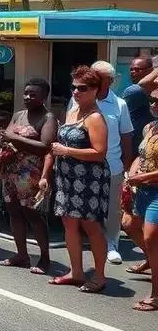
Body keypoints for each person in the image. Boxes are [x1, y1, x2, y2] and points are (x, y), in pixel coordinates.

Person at [49, 66, 111, 293]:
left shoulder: (95, 117)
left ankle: (100, 275)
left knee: (90, 225)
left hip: (89, 179)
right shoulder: (73, 111)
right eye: (74, 87)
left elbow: (99, 152)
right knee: (69, 222)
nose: (76, 92)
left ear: (95, 90)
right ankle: (76, 271)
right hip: (68, 177)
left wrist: (66, 152)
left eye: (82, 88)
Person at [70, 61, 134, 265]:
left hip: (111, 165)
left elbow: (126, 136)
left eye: (99, 77)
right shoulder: (77, 101)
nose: (92, 78)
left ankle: (112, 245)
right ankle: (94, 241)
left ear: (109, 81)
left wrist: (126, 166)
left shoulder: (120, 104)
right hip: (83, 166)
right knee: (86, 210)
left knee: (112, 209)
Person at [0, 78, 57, 274]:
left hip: (30, 174)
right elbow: (4, 137)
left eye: (33, 95)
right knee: (13, 212)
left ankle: (44, 257)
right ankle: (21, 254)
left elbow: (45, 146)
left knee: (34, 215)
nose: (28, 97)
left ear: (44, 98)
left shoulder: (48, 118)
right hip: (10, 171)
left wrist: (15, 138)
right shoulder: (18, 115)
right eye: (26, 93)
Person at [123, 87, 158, 311]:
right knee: (128, 224)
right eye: (152, 100)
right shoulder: (150, 127)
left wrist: (142, 176)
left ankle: (156, 295)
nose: (154, 105)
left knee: (151, 237)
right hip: (142, 190)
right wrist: (132, 173)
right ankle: (152, 262)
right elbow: (140, 155)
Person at [123, 57, 158, 153]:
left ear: (150, 71)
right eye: (131, 69)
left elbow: (143, 83)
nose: (133, 72)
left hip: (134, 141)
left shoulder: (133, 91)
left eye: (137, 69)